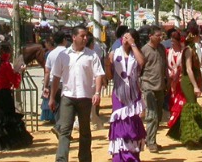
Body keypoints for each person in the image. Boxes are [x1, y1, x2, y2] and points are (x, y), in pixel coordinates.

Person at [49, 26, 105, 162]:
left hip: (85, 97)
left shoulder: (92, 55)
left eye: (86, 36)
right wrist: (51, 98)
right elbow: (55, 77)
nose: (85, 38)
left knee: (85, 131)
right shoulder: (63, 55)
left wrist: (97, 92)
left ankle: (85, 159)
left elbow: (99, 75)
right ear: (74, 37)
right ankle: (61, 159)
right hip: (68, 97)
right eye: (82, 36)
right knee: (65, 130)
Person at [166, 30, 202, 146]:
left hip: (190, 80)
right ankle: (191, 135)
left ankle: (191, 134)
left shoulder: (191, 49)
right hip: (188, 81)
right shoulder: (188, 50)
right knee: (191, 106)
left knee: (190, 106)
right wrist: (195, 86)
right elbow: (189, 69)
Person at [105, 29, 146, 161]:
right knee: (119, 122)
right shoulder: (115, 53)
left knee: (132, 122)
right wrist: (107, 64)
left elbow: (142, 63)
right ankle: (119, 156)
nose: (125, 39)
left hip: (133, 94)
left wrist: (133, 45)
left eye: (128, 37)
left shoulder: (136, 54)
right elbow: (110, 76)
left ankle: (132, 155)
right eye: (124, 37)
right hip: (119, 94)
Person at [138, 26, 167, 153]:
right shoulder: (144, 50)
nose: (160, 38)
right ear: (150, 36)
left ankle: (152, 138)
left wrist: (168, 81)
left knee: (159, 115)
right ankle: (150, 142)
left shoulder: (161, 48)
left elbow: (164, 65)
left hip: (160, 86)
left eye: (161, 35)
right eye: (157, 35)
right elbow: (139, 69)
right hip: (148, 86)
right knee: (152, 115)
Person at [42, 31, 68, 126]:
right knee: (66, 108)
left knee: (56, 107)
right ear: (64, 40)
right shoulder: (68, 52)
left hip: (53, 83)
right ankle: (62, 128)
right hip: (65, 83)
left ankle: (58, 126)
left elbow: (47, 72)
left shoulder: (50, 54)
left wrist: (45, 86)